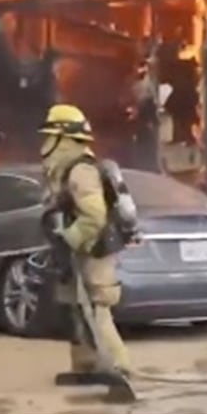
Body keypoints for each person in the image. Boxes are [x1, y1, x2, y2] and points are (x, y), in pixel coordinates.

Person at [37, 104, 132, 393]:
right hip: (78, 249)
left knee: (96, 308)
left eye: (50, 137)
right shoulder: (65, 171)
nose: (44, 144)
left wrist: (69, 238)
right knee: (74, 308)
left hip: (95, 250)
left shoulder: (81, 171)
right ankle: (85, 366)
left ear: (62, 138)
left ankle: (118, 369)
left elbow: (94, 215)